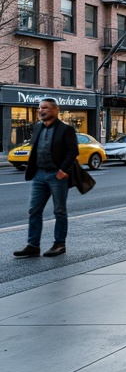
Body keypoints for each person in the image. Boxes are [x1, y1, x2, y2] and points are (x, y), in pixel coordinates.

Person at [13, 98, 78, 258]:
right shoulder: (38, 127)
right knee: (34, 210)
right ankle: (33, 245)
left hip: (57, 175)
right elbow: (35, 149)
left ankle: (59, 244)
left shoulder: (66, 129)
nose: (42, 110)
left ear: (56, 110)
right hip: (39, 175)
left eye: (46, 108)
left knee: (59, 211)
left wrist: (63, 170)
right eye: (40, 108)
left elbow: (73, 151)